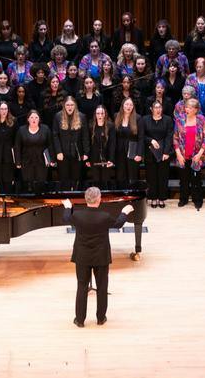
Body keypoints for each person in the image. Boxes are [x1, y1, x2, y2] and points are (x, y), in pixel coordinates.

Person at [68, 187, 126, 327]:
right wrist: (124, 212)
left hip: (82, 256)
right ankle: (101, 318)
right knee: (102, 287)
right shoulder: (104, 216)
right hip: (100, 256)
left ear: (86, 199)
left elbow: (66, 218)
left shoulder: (77, 215)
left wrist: (67, 207)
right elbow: (118, 224)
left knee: (81, 286)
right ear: (99, 199)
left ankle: (80, 320)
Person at [16, 108, 54, 194]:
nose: (34, 119)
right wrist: (18, 162)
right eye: (32, 117)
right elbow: (17, 146)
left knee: (40, 185)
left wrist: (51, 160)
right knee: (28, 184)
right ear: (28, 119)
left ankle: (41, 203)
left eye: (36, 117)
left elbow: (50, 145)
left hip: (42, 162)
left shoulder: (46, 129)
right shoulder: (21, 130)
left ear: (39, 119)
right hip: (26, 162)